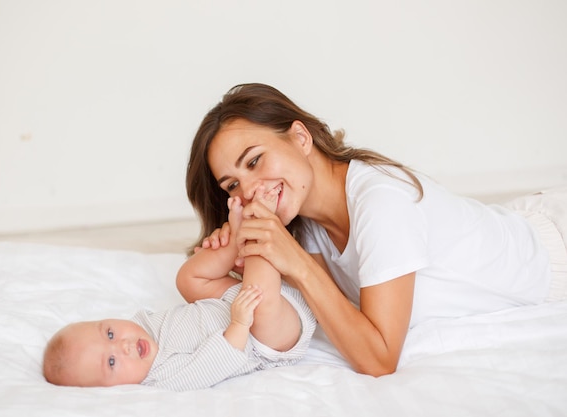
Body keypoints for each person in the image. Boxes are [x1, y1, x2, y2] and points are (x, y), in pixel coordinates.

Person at [185, 82, 567, 377]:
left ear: (300, 138)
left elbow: (380, 359)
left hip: (557, 251)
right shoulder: (307, 222)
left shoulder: (382, 202)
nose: (249, 191)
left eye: (253, 161)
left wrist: (296, 263)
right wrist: (237, 253)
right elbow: (309, 308)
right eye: (232, 185)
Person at [42, 190, 316, 391]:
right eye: (112, 362)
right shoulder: (163, 377)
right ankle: (260, 225)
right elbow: (213, 364)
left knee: (187, 279)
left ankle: (236, 240)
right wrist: (239, 323)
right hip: (265, 338)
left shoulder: (144, 326)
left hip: (230, 299)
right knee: (259, 301)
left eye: (110, 333)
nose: (123, 345)